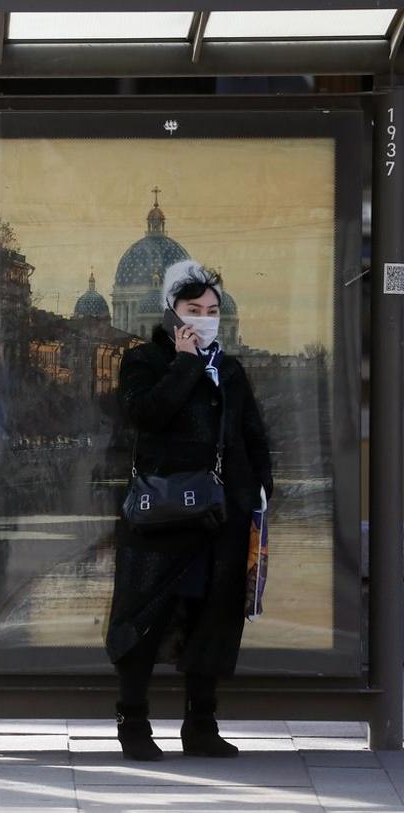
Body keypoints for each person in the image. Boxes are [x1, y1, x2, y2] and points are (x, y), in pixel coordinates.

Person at [106, 260, 273, 761]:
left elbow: (252, 435)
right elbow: (146, 416)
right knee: (144, 618)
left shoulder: (232, 368)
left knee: (213, 619)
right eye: (192, 309)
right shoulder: (143, 359)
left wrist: (260, 493)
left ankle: (201, 725)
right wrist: (185, 363)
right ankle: (133, 723)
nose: (203, 318)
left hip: (221, 520)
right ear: (170, 312)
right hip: (161, 516)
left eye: (211, 310)